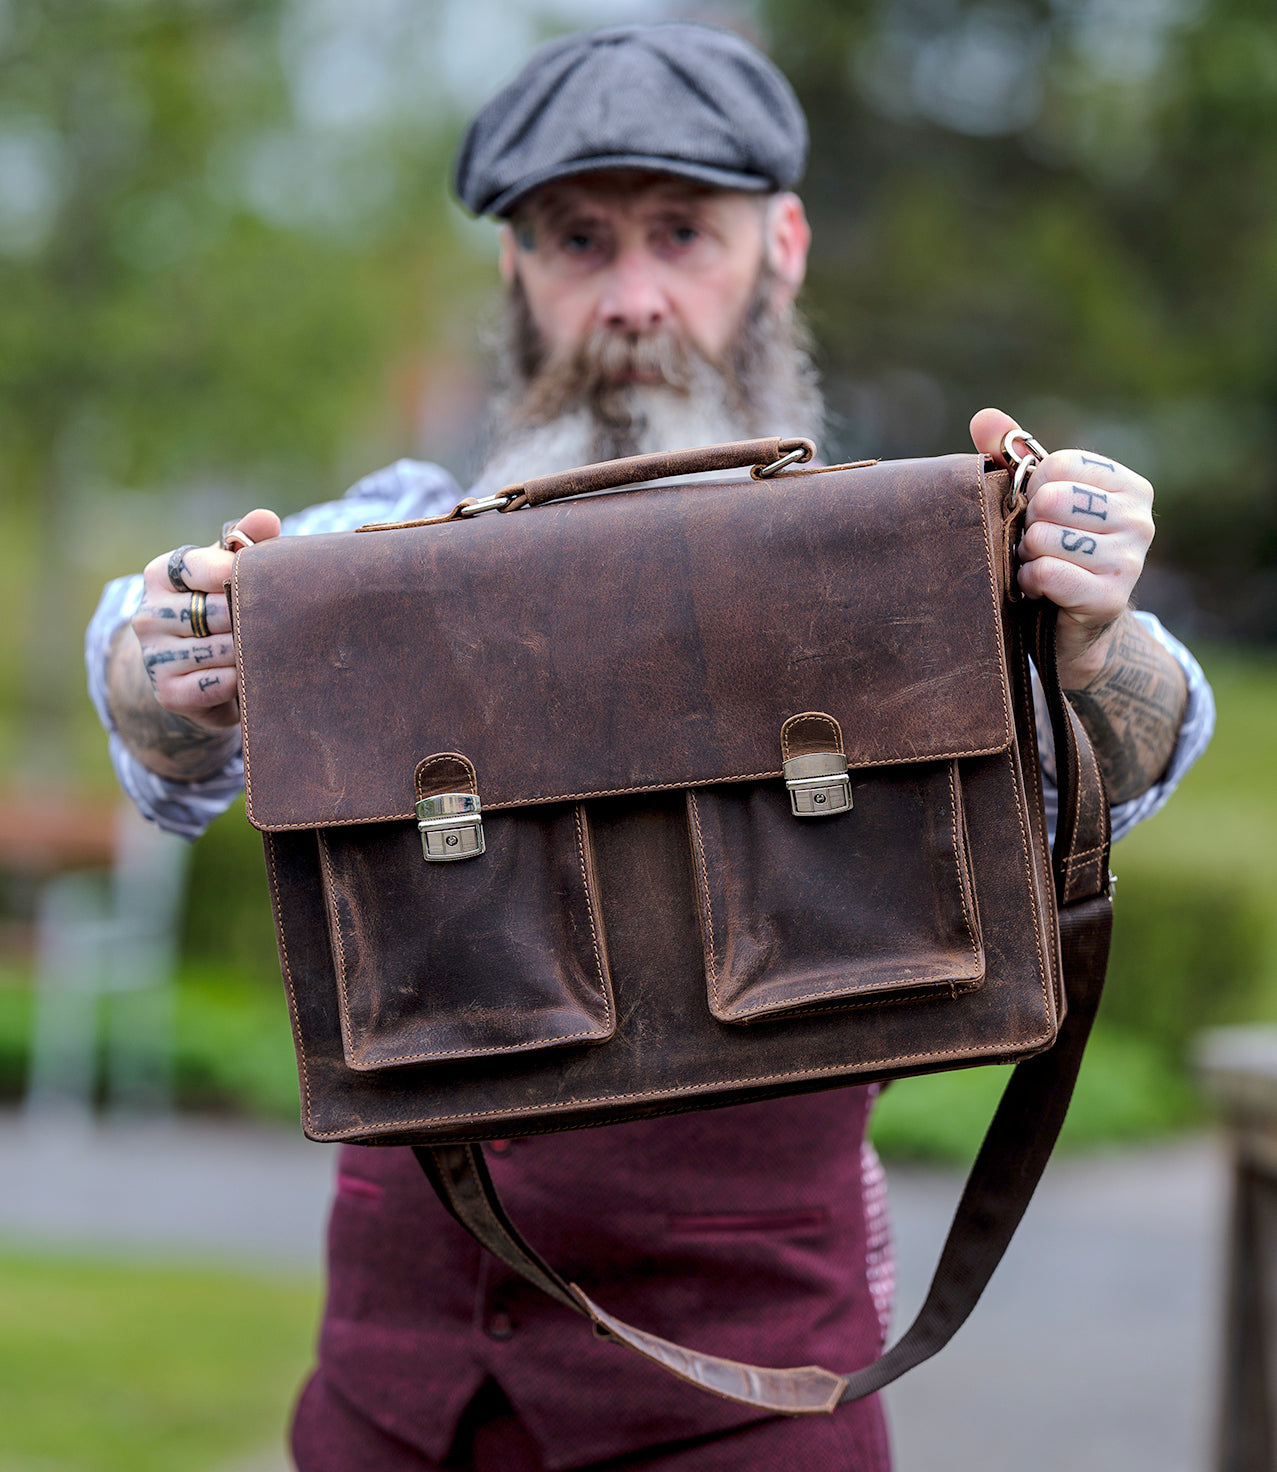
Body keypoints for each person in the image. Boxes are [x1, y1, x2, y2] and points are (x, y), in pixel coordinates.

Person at [86, 23, 1214, 1472]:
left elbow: (1148, 737)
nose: (630, 297)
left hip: (751, 1411)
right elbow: (154, 694)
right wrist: (174, 646)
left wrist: (1083, 622)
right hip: (384, 1410)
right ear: (513, 270)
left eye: (682, 232)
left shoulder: (893, 555)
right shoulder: (377, 553)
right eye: (574, 240)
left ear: (783, 243)